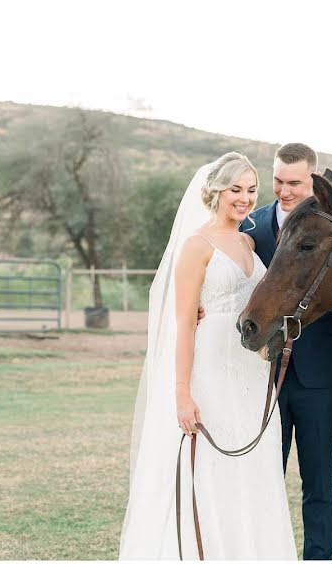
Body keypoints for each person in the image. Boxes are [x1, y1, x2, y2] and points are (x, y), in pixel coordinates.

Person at [119, 152, 297, 560]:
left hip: (252, 373)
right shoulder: (196, 246)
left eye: (252, 190)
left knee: (251, 466)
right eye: (236, 189)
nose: (245, 198)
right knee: (211, 467)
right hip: (210, 370)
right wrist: (182, 392)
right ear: (215, 190)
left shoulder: (250, 243)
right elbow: (182, 323)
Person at [239, 143, 332, 560]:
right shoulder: (254, 226)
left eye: (294, 183)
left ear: (313, 181)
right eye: (278, 181)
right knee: (265, 477)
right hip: (261, 377)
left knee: (319, 483)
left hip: (322, 378)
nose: (283, 190)